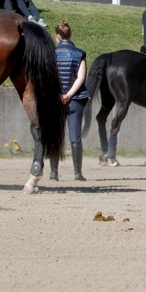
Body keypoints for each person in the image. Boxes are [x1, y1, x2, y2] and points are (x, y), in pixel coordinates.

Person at [52, 20, 89, 182]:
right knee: (75, 138)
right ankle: (77, 173)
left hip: (55, 100)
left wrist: (59, 94)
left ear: (57, 37)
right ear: (70, 35)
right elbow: (81, 77)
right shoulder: (79, 53)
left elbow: (49, 77)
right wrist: (69, 94)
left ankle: (53, 173)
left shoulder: (51, 53)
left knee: (55, 137)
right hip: (75, 100)